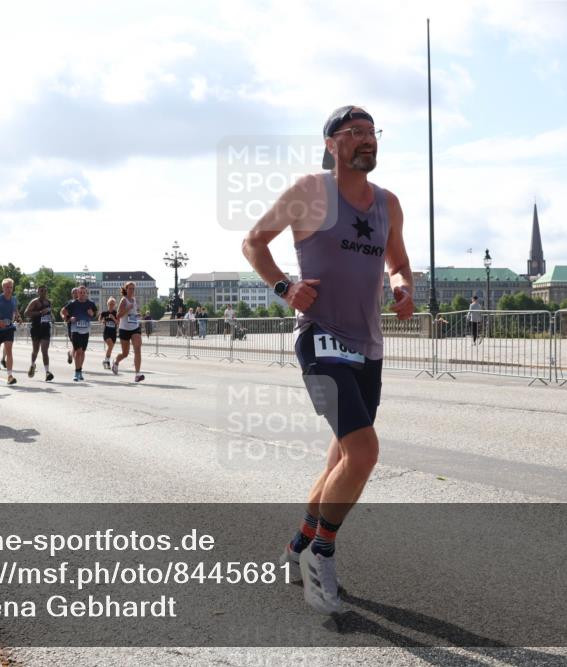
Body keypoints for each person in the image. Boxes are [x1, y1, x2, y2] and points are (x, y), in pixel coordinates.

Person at [242, 105, 415, 614]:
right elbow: (253, 242)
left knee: (342, 457)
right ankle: (321, 555)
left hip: (369, 346)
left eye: (371, 132)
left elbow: (399, 262)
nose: (367, 139)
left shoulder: (388, 204)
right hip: (319, 338)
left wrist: (403, 287)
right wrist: (284, 286)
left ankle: (297, 544)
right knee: (363, 453)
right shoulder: (310, 192)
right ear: (332, 143)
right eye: (355, 132)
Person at [61, 285, 98, 382]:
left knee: (82, 352)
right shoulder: (73, 304)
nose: (82, 294)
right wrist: (69, 318)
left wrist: (92, 314)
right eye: (80, 292)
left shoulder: (91, 304)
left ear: (86, 293)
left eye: (84, 292)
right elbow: (63, 311)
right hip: (75, 330)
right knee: (78, 351)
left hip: (85, 331)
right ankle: (77, 373)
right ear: (77, 294)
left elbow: (95, 314)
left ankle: (80, 371)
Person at [0, 278, 20, 385]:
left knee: (9, 350)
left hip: (8, 328)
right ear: (2, 288)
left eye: (11, 287)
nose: (9, 289)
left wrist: (18, 317)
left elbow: (15, 310)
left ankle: (10, 376)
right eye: (7, 287)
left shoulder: (14, 299)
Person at [112, 281, 145, 382]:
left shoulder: (134, 300)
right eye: (130, 288)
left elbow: (132, 313)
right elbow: (118, 315)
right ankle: (116, 362)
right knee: (125, 353)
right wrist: (127, 308)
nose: (131, 290)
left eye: (133, 288)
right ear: (126, 290)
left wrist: (137, 315)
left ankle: (137, 374)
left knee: (137, 349)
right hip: (124, 329)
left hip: (134, 327)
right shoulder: (124, 300)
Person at [24, 285, 54, 381]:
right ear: (38, 292)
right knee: (35, 351)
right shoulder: (34, 302)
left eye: (44, 291)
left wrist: (52, 318)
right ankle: (32, 365)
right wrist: (40, 312)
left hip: (45, 328)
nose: (43, 293)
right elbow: (26, 313)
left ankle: (47, 372)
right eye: (41, 291)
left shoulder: (49, 302)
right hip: (36, 328)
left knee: (44, 351)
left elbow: (49, 313)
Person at [100, 297, 119, 369]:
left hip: (113, 333)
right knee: (110, 346)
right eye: (110, 304)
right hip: (106, 332)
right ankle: (107, 361)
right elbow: (100, 320)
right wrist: (103, 321)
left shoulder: (116, 313)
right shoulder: (104, 313)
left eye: (113, 304)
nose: (111, 305)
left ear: (115, 305)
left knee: (110, 348)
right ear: (107, 304)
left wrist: (113, 318)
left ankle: (106, 360)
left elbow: (118, 322)